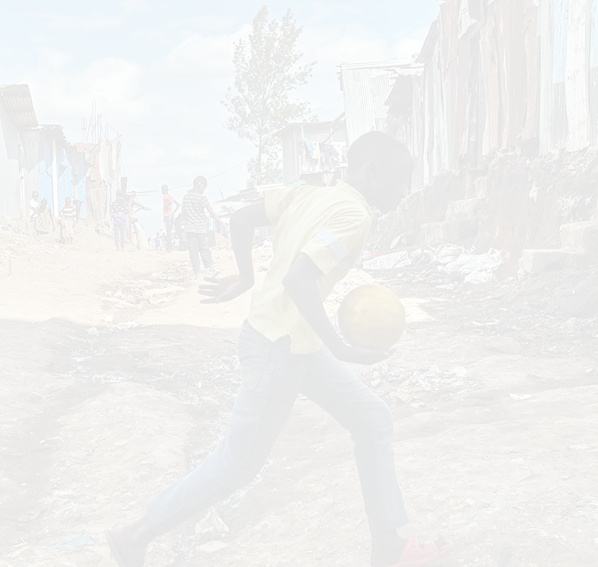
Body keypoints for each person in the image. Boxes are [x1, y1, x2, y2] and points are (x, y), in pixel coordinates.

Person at [105, 132, 449, 567]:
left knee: (373, 421)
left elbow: (243, 220)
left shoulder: (306, 193)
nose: (405, 192)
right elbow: (298, 280)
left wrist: (246, 277)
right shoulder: (353, 217)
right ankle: (135, 535)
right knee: (238, 464)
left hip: (291, 340)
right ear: (372, 172)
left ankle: (387, 544)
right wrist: (340, 348)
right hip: (280, 348)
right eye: (401, 181)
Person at [177, 177, 226, 274]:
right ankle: (212, 268)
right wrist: (224, 225)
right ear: (199, 185)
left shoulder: (185, 197)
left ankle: (197, 275)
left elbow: (183, 214)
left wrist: (181, 227)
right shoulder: (202, 198)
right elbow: (212, 213)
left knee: (193, 252)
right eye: (204, 187)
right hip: (200, 229)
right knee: (204, 248)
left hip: (190, 229)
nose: (204, 190)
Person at [161, 184, 179, 253]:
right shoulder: (171, 196)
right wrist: (173, 212)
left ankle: (169, 248)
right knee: (170, 231)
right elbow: (178, 205)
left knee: (167, 232)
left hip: (167, 215)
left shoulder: (165, 196)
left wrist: (167, 206)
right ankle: (170, 247)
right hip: (171, 215)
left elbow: (169, 201)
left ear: (163, 190)